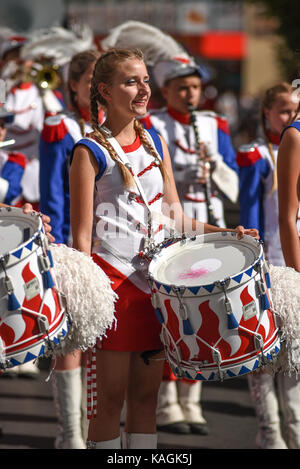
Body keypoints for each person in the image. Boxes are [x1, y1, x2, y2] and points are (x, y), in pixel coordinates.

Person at [69, 47, 258, 449]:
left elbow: (176, 218)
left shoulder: (154, 141)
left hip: (156, 286)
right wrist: (82, 302)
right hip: (113, 288)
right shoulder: (89, 151)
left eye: (145, 80)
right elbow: (82, 237)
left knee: (146, 399)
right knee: (109, 402)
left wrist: (227, 234)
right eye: (130, 81)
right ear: (104, 90)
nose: (143, 89)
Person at [140, 57, 239, 435]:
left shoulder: (215, 124)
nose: (190, 94)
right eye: (181, 88)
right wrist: (181, 174)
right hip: (172, 229)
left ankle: (192, 401)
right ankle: (167, 403)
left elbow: (232, 175)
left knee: (202, 310)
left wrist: (213, 167)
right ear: (166, 91)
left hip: (205, 226)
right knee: (172, 313)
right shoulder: (154, 125)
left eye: (195, 87)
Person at [39, 49, 101, 449]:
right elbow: (53, 195)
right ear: (74, 85)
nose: (98, 88)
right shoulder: (59, 127)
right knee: (72, 340)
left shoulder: (117, 129)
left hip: (112, 245)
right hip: (70, 244)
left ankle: (98, 431)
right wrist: (63, 251)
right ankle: (71, 434)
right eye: (92, 80)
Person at [237, 82, 300, 449]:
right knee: (261, 352)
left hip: (294, 253)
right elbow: (250, 211)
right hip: (269, 259)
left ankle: (293, 430)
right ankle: (269, 431)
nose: (290, 117)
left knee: (294, 354)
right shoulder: (257, 154)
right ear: (267, 113)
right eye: (283, 110)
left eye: (294, 110)